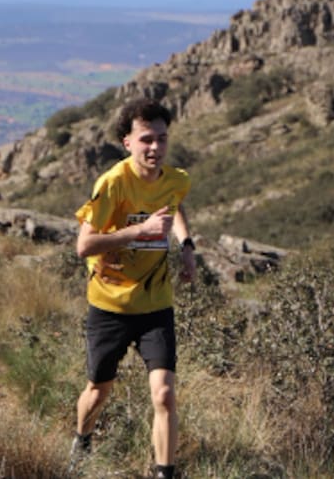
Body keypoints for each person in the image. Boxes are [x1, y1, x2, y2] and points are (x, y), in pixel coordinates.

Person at [70, 97, 196, 479]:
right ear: (127, 142)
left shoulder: (177, 180)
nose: (155, 147)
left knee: (165, 394)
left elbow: (176, 207)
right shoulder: (113, 184)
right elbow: (84, 245)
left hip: (156, 304)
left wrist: (187, 246)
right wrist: (138, 232)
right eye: (146, 140)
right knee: (98, 389)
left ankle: (164, 472)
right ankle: (83, 437)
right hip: (109, 305)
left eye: (161, 138)